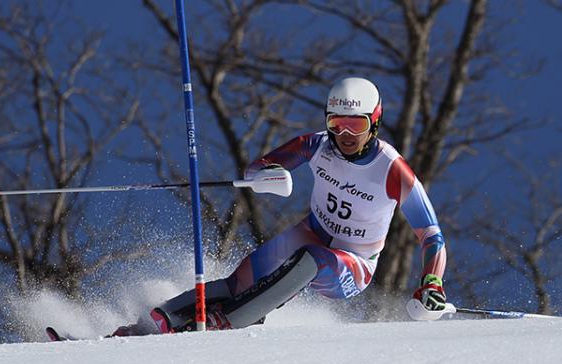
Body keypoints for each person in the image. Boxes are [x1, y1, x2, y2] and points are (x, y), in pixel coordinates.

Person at [113, 77, 447, 336]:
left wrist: (432, 281)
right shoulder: (317, 145)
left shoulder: (392, 169)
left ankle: (228, 322)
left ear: (374, 122)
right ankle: (144, 325)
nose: (344, 134)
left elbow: (431, 235)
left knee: (311, 259)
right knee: (239, 282)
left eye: (356, 125)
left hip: (353, 264)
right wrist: (268, 175)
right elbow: (257, 167)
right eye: (336, 123)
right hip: (311, 234)